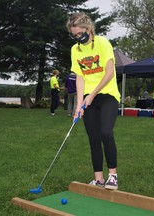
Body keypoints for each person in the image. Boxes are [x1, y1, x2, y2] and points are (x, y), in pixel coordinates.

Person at [66, 12, 121, 190]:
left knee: (106, 132)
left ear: (88, 28)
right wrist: (79, 104)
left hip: (107, 95)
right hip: (88, 99)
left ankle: (112, 176)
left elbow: (110, 72)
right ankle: (98, 179)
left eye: (79, 33)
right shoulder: (76, 50)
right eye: (73, 35)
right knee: (94, 138)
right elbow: (80, 77)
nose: (77, 37)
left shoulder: (103, 43)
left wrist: (92, 95)